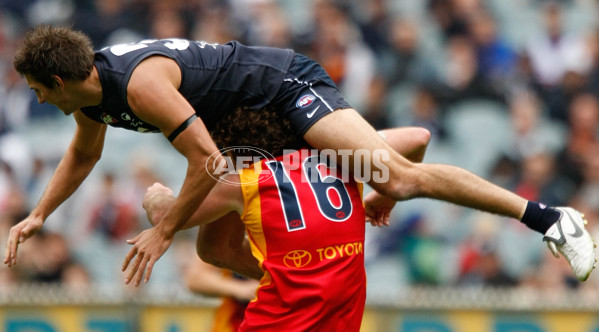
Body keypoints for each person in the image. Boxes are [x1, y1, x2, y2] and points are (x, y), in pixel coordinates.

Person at [4, 25, 596, 286]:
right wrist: (39, 216)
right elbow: (81, 159)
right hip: (249, 138)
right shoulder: (88, 100)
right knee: (214, 246)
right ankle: (309, 276)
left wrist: (165, 232)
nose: (33, 98)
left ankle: (550, 218)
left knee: (400, 178)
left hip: (282, 92)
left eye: (34, 88)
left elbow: (207, 160)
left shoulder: (138, 86)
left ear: (57, 80)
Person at [141, 106, 431, 331]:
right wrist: (387, 194)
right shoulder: (340, 158)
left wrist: (156, 193)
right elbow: (418, 138)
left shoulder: (246, 180)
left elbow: (170, 219)